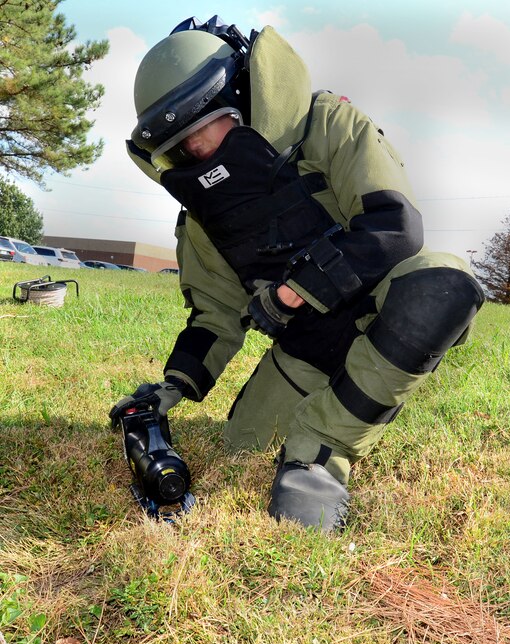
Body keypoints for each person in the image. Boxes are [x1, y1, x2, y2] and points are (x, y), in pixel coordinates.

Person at [110, 15, 484, 532]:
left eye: (203, 129)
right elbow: (214, 318)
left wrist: (290, 292)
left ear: (241, 96)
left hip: (382, 310)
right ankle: (344, 400)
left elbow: (395, 227)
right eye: (180, 145)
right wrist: (169, 388)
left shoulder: (327, 124)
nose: (195, 153)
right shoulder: (202, 222)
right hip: (307, 348)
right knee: (242, 446)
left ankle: (320, 456)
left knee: (443, 284)